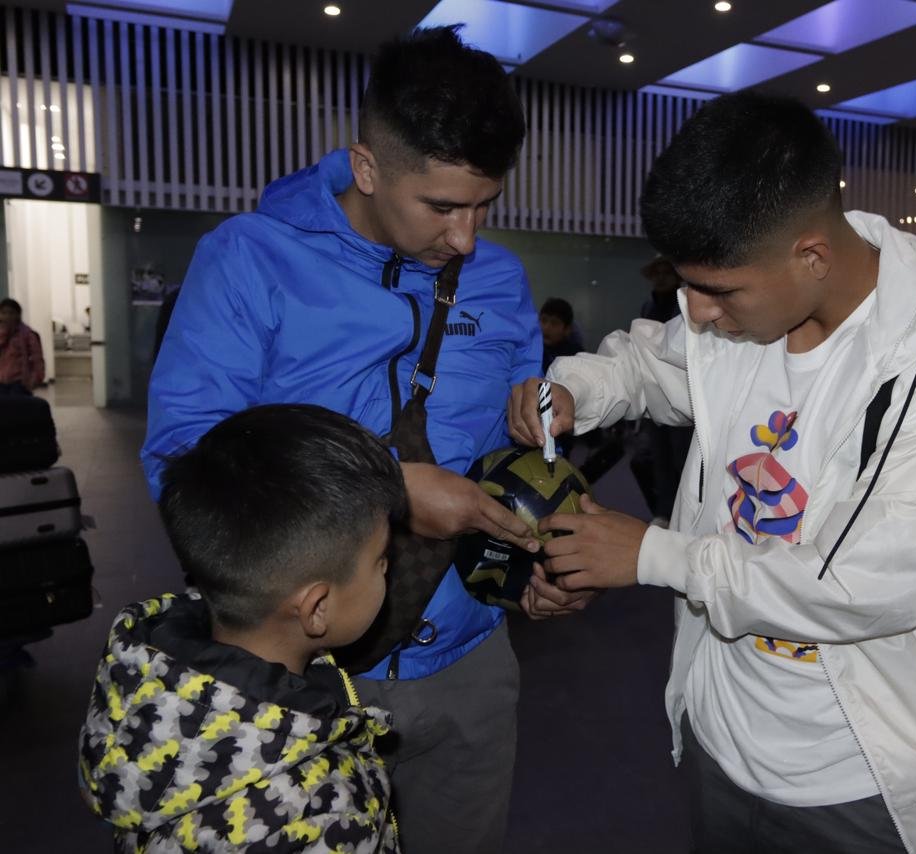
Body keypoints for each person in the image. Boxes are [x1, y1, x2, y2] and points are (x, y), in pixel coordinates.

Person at [510, 92, 916, 854]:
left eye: (718, 291)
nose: (699, 314)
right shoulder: (748, 310)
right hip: (723, 739)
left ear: (811, 255)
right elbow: (654, 361)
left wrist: (653, 554)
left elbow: (869, 585)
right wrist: (581, 388)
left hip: (861, 778)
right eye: (689, 288)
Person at [141, 26, 592, 854]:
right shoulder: (248, 261)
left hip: (469, 666)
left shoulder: (497, 278)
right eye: (443, 206)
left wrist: (537, 564)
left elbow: (514, 459)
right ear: (368, 167)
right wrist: (386, 488)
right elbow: (185, 463)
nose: (467, 235)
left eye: (485, 203)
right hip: (301, 674)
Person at [80, 404, 403, 852]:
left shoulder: (145, 681)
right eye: (380, 560)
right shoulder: (323, 809)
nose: (388, 567)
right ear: (317, 609)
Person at [629, 257, 694, 526]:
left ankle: (683, 517)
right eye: (657, 272)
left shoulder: (687, 305)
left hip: (680, 393)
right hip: (652, 391)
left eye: (667, 271)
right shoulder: (649, 306)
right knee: (655, 459)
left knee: (681, 459)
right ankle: (665, 513)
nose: (661, 277)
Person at [0, 298, 46, 395]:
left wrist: (33, 380)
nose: (7, 316)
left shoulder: (28, 335)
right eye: (3, 313)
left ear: (18, 315)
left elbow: (37, 360)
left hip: (19, 383)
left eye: (11, 313)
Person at [539, 297, 583, 374]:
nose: (546, 327)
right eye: (543, 320)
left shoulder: (575, 356)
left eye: (554, 323)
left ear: (567, 330)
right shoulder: (532, 348)